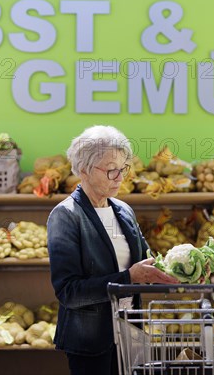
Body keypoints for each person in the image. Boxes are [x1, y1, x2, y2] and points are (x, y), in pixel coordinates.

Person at [47, 125, 179, 375]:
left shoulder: (124, 210)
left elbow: (147, 264)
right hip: (90, 342)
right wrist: (128, 279)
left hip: (129, 336)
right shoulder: (65, 216)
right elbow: (69, 292)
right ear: (84, 170)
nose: (120, 177)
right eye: (111, 170)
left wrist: (182, 272)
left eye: (123, 169)